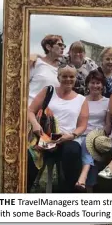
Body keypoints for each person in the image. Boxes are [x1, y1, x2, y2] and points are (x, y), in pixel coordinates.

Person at [27, 64, 89, 192]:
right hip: (44, 137)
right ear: (58, 77)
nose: (68, 79)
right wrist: (35, 124)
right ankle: (22, 192)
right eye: (64, 76)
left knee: (72, 151)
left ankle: (69, 193)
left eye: (71, 76)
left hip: (67, 139)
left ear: (75, 78)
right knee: (29, 156)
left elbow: (82, 125)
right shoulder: (48, 91)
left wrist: (72, 135)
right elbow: (30, 111)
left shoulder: (81, 99)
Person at [74, 70, 112, 192]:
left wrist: (102, 135)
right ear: (88, 84)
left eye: (98, 83)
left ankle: (83, 178)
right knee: (85, 144)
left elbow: (108, 124)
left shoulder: (107, 102)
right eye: (93, 83)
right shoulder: (81, 100)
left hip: (98, 135)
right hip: (81, 133)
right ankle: (88, 187)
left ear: (103, 85)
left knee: (89, 143)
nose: (95, 86)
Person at [29, 35, 65, 106]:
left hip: (48, 113)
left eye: (64, 46)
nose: (63, 47)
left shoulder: (62, 69)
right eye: (59, 45)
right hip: (29, 107)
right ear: (48, 47)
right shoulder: (35, 62)